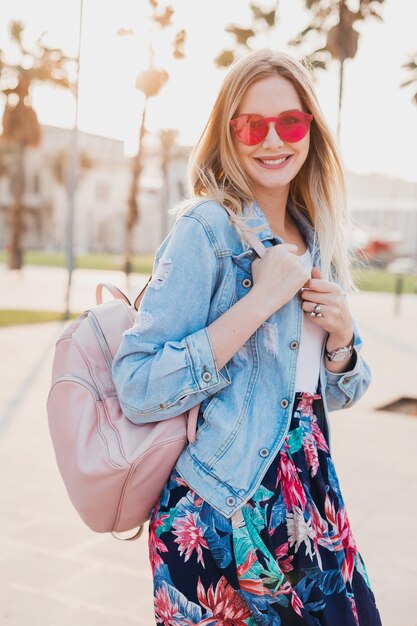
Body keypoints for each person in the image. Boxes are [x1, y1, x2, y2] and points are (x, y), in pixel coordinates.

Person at [112, 49, 382, 625]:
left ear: (310, 130)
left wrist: (343, 342)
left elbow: (331, 395)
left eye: (289, 122)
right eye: (251, 125)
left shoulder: (314, 233)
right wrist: (261, 300)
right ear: (228, 135)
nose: (271, 140)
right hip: (221, 504)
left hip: (312, 498)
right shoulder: (204, 229)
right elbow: (136, 382)